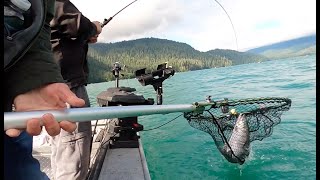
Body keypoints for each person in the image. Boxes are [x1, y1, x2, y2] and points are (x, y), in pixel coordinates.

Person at [4, 0, 85, 179]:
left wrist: (34, 75)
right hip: (64, 81)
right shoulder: (64, 5)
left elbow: (38, 21)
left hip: (24, 90)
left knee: (21, 169)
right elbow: (74, 24)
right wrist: (93, 29)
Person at [49, 0, 102, 179]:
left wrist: (85, 36)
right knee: (72, 150)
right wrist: (94, 27)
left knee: (61, 148)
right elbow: (76, 24)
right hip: (68, 89)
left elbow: (64, 30)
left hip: (54, 85)